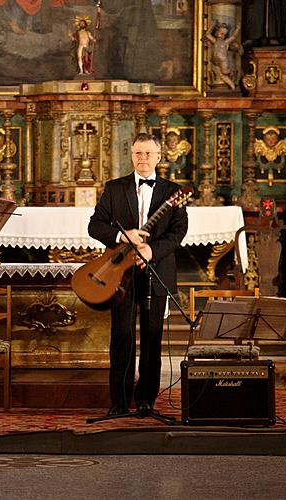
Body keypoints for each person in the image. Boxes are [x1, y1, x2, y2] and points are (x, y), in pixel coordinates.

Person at [87, 133, 188, 416]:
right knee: (121, 336)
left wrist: (151, 251)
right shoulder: (115, 189)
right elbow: (95, 226)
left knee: (153, 337)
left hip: (156, 271)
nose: (142, 159)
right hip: (121, 274)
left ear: (158, 157)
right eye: (137, 154)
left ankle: (146, 400)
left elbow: (178, 232)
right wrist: (123, 234)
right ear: (131, 156)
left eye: (147, 154)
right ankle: (119, 402)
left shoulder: (173, 191)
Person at [205, 21, 241, 90]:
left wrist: (237, 29)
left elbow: (233, 37)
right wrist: (212, 26)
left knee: (224, 72)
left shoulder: (225, 42)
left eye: (224, 34)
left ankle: (231, 79)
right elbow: (207, 34)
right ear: (216, 33)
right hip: (215, 60)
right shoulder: (214, 41)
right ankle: (231, 83)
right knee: (221, 74)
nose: (223, 36)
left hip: (223, 60)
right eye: (221, 33)